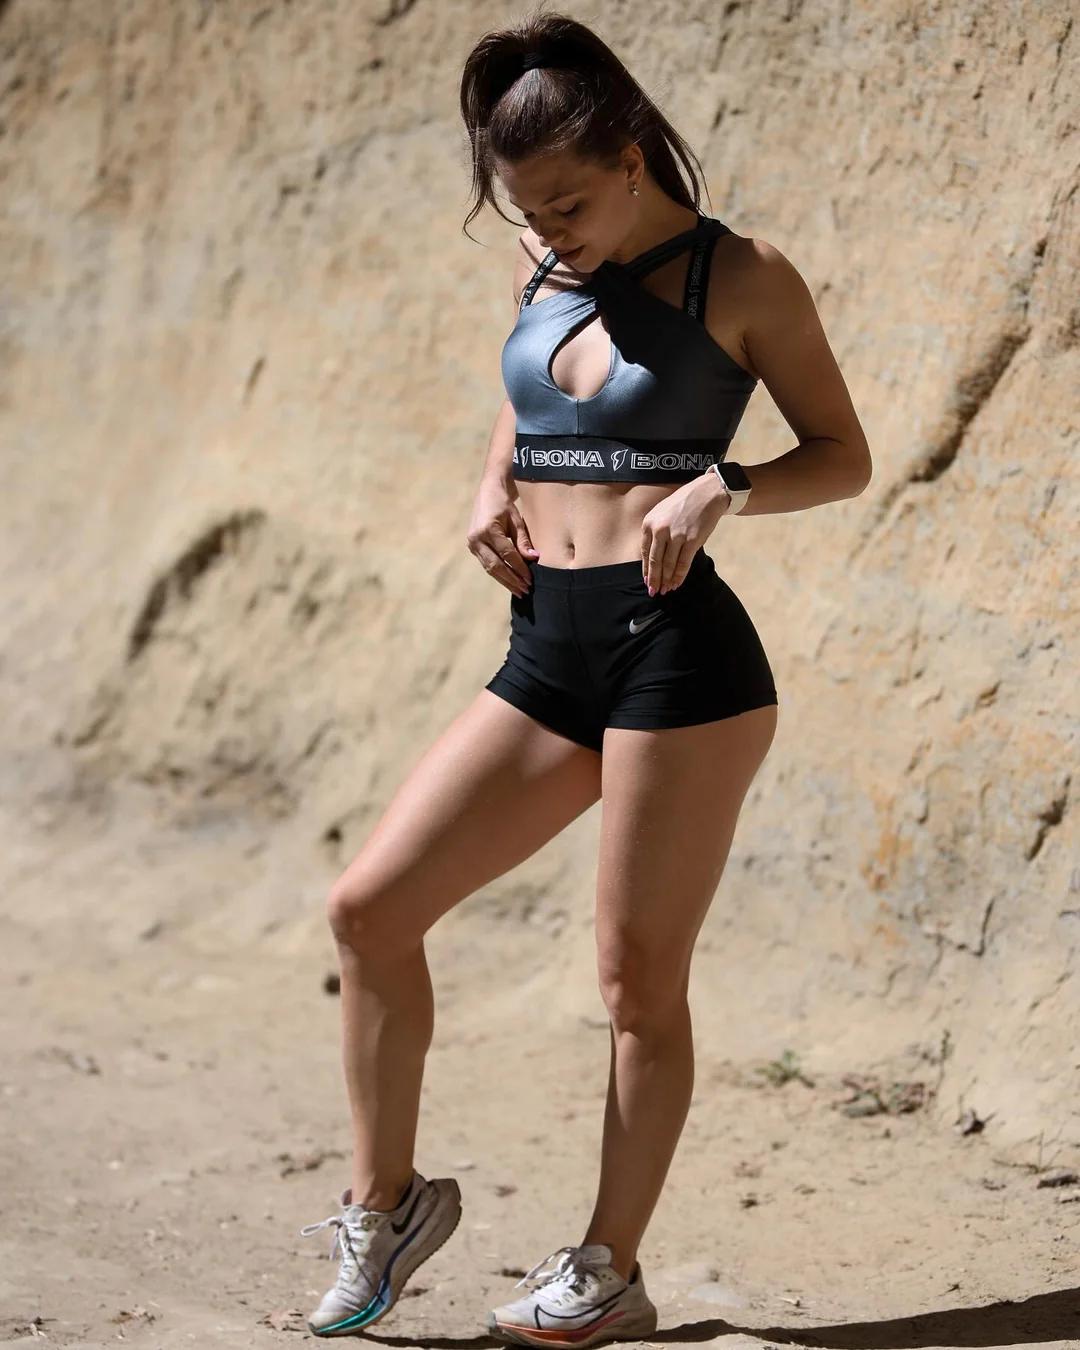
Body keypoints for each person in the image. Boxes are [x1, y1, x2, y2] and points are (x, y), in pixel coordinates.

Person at [298, 8, 871, 1345]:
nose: (551, 230)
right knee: (369, 908)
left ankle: (609, 1267)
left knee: (634, 982)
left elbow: (843, 454)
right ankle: (386, 1206)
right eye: (529, 211)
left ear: (630, 156)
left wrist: (724, 484)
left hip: (680, 656)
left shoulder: (742, 276)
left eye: (568, 202)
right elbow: (528, 399)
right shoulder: (544, 259)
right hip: (547, 645)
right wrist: (490, 488)